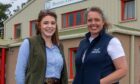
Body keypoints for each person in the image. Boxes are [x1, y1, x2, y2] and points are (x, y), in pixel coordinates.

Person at [73, 7, 128, 84]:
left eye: (97, 20)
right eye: (90, 20)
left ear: (103, 22)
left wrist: (98, 83)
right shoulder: (82, 43)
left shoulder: (112, 41)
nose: (93, 23)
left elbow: (123, 70)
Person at [15, 10, 68, 84]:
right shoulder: (29, 43)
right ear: (39, 25)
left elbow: (63, 73)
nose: (50, 26)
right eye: (46, 23)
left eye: (53, 23)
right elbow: (19, 72)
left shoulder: (59, 46)